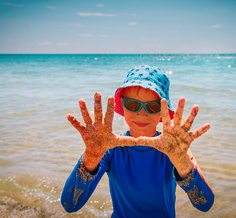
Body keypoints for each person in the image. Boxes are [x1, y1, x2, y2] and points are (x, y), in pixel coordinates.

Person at [61, 65, 215, 217]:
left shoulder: (174, 149)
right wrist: (92, 155)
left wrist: (181, 161)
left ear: (163, 112)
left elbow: (204, 204)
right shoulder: (109, 149)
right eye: (132, 104)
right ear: (122, 105)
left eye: (153, 107)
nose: (141, 113)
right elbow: (70, 204)